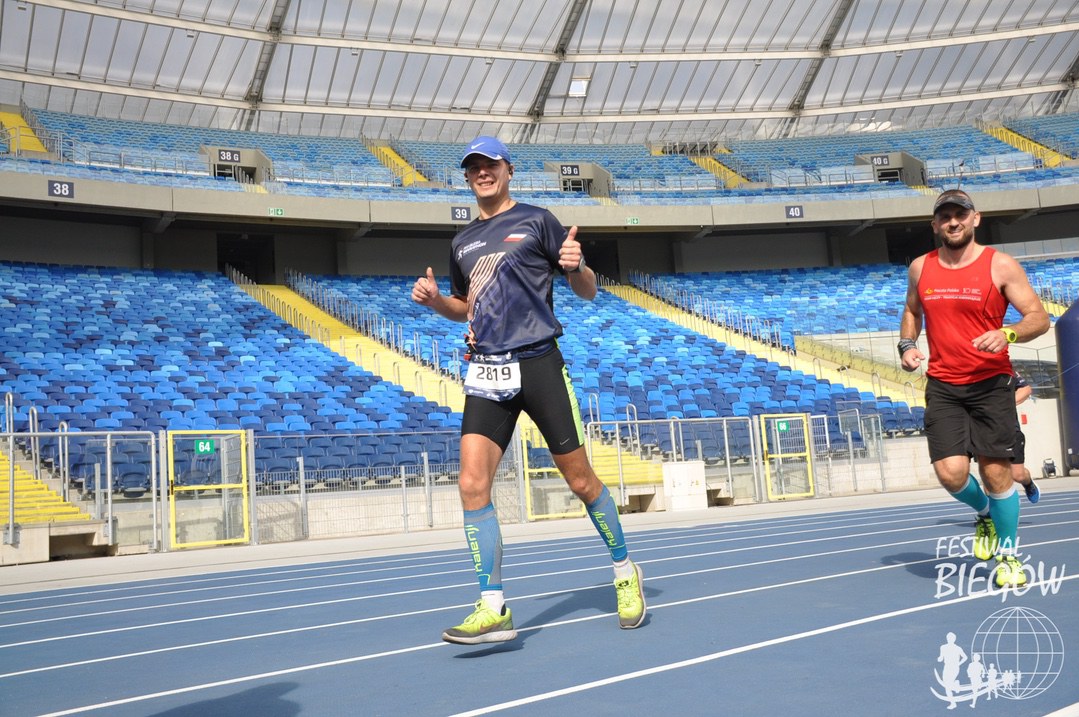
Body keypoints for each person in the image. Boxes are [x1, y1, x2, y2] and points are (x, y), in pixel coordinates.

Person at [412, 135, 645, 644]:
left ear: (508, 170)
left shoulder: (538, 220)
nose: (482, 173)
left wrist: (577, 266)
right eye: (474, 167)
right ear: (467, 176)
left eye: (490, 164)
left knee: (581, 481)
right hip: (487, 371)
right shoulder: (462, 242)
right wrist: (435, 302)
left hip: (538, 363)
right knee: (471, 484)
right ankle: (493, 606)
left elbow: (587, 289)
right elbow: (464, 307)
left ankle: (625, 571)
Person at [900, 188, 1049, 588]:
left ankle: (1009, 558)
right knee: (950, 474)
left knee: (997, 472)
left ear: (975, 218)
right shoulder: (920, 267)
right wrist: (907, 345)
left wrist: (1008, 334)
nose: (953, 222)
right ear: (935, 225)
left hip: (991, 384)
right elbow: (912, 310)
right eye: (945, 216)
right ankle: (984, 514)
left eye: (960, 215)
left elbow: (1039, 318)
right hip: (943, 384)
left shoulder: (1000, 265)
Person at [1011, 372, 1040, 503]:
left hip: (1010, 430)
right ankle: (990, 512)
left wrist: (1002, 405)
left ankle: (1028, 483)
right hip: (983, 431)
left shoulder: (1003, 368)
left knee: (1017, 475)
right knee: (990, 474)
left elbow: (1026, 389)